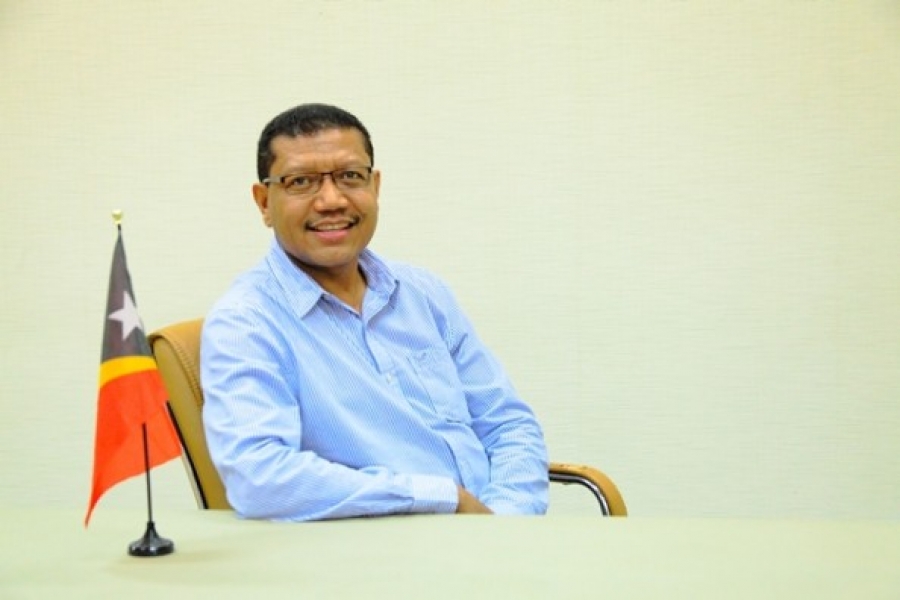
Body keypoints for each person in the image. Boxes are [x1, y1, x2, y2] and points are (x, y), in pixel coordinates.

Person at [200, 103, 548, 521]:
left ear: (375, 186)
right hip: (377, 551)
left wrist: (506, 521)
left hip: (493, 534)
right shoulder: (245, 323)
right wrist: (442, 498)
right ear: (263, 203)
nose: (332, 200)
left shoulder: (423, 293)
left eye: (350, 176)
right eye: (301, 182)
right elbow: (260, 477)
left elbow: (508, 424)